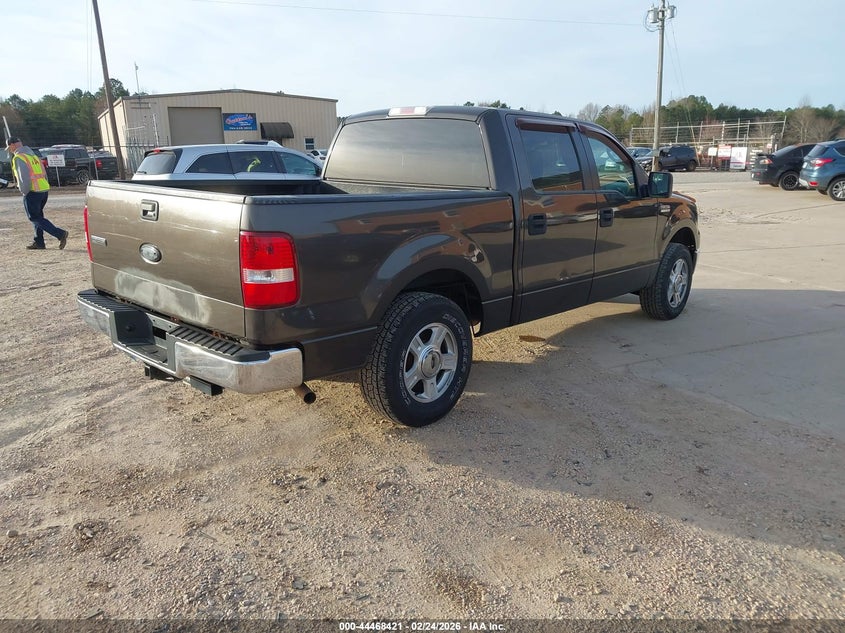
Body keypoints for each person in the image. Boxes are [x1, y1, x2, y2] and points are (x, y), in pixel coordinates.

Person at [6, 136, 68, 250]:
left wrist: (24, 192)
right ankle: (39, 242)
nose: (10, 150)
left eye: (9, 147)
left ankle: (60, 234)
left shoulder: (19, 157)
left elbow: (23, 178)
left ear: (13, 145)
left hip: (32, 191)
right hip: (43, 190)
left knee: (34, 217)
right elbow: (44, 173)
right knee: (38, 217)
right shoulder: (33, 156)